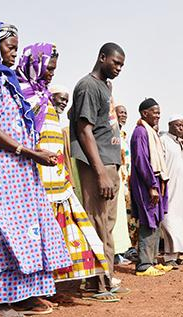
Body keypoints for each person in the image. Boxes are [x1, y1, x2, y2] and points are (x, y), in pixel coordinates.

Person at [0, 22, 72, 317]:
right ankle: (1, 306)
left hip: (20, 170)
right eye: (10, 47)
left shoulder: (4, 78)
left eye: (18, 48)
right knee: (5, 231)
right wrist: (28, 151)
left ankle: (26, 295)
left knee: (30, 230)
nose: (15, 54)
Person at [16, 43, 111, 288]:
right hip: (33, 175)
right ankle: (37, 287)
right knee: (36, 232)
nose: (51, 73)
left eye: (54, 70)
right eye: (48, 68)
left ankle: (55, 284)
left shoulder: (44, 96)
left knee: (64, 230)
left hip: (56, 175)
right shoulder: (21, 95)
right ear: (34, 65)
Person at [68, 42, 127, 300]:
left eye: (122, 65)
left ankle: (106, 278)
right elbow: (84, 129)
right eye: (115, 63)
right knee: (97, 222)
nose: (119, 69)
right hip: (97, 164)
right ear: (102, 58)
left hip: (109, 161)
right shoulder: (88, 86)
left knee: (108, 223)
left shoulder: (106, 87)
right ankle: (96, 284)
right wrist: (101, 171)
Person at [129, 98, 170, 276]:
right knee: (148, 220)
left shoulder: (152, 132)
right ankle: (143, 265)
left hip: (156, 181)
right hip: (146, 183)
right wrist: (151, 185)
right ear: (145, 113)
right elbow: (141, 160)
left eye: (159, 112)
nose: (158, 115)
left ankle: (152, 261)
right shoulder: (140, 132)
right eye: (155, 112)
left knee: (156, 220)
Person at [160, 115, 183, 267]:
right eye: (178, 125)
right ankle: (169, 256)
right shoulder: (164, 140)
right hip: (170, 187)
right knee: (170, 220)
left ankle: (180, 254)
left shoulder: (180, 144)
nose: (181, 128)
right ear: (170, 125)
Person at [112, 104, 133, 264]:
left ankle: (122, 251)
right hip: (114, 178)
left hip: (125, 181)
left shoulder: (124, 135)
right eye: (120, 113)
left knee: (124, 218)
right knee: (115, 218)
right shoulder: (111, 132)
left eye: (125, 113)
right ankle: (115, 254)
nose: (123, 115)